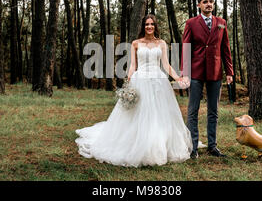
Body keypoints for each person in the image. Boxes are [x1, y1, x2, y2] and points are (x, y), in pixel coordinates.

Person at [75, 14, 192, 167]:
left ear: (155, 26)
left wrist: (177, 78)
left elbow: (166, 65)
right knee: (138, 114)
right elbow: (132, 66)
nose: (149, 27)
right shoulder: (136, 43)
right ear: (143, 27)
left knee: (159, 115)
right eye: (146, 24)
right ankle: (136, 144)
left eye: (151, 24)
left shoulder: (161, 43)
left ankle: (158, 145)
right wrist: (128, 83)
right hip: (140, 80)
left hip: (158, 81)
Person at [180, 0, 234, 159]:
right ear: (199, 5)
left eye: (211, 1)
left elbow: (225, 49)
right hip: (195, 73)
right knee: (193, 110)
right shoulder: (191, 23)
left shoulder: (221, 23)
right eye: (205, 2)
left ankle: (212, 146)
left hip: (215, 72)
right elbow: (186, 49)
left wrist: (229, 72)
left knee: (213, 111)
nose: (209, 4)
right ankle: (193, 147)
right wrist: (184, 73)